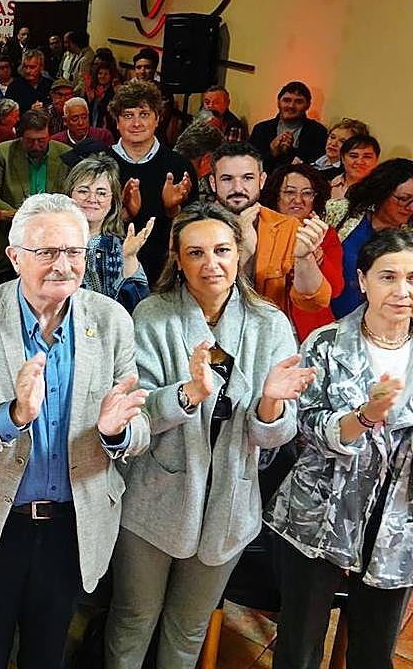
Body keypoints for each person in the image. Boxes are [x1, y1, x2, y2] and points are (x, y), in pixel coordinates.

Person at [0, 194, 148, 668]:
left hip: (72, 526)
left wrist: (116, 432)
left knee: (47, 656)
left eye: (74, 251)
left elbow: (138, 425)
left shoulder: (111, 321)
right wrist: (11, 416)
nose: (63, 265)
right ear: (14, 257)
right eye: (47, 252)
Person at [104, 202, 314, 669]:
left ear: (239, 253)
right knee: (133, 618)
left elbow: (276, 435)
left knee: (189, 628)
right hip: (153, 501)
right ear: (178, 260)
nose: (210, 263)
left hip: (230, 506)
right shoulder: (152, 315)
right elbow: (138, 415)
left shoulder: (269, 324)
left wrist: (270, 403)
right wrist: (188, 393)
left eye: (221, 250)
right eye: (195, 253)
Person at [266, 228, 413, 669]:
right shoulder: (326, 343)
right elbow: (305, 427)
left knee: (375, 651)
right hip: (319, 515)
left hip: (397, 521)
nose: (402, 290)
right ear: (363, 281)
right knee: (299, 647)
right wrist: (363, 417)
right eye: (388, 277)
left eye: (412, 278)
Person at [206, 142, 333, 325]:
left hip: (267, 332)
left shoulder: (287, 226)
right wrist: (244, 247)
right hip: (208, 332)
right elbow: (197, 294)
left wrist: (305, 258)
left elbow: (314, 302)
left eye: (248, 178)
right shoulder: (191, 227)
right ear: (213, 183)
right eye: (227, 179)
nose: (238, 188)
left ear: (262, 180)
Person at [107, 80, 197, 284]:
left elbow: (193, 232)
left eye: (144, 114)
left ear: (157, 119)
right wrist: (123, 214)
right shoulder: (100, 165)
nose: (136, 123)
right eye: (128, 115)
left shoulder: (179, 166)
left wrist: (172, 210)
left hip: (165, 276)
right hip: (110, 272)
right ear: (117, 122)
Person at [0, 108, 72, 279]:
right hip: (9, 235)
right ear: (20, 136)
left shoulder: (65, 154)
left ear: (49, 135)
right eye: (29, 141)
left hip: (55, 236)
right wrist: (19, 216)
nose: (36, 146)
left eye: (41, 140)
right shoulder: (3, 153)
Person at [258, 163, 344, 340]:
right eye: (289, 192)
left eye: (307, 193)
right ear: (276, 196)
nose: (298, 200)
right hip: (266, 325)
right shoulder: (259, 228)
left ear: (315, 198)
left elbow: (336, 290)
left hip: (310, 328)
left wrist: (317, 256)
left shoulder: (326, 234)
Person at [325, 158, 413, 317]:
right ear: (382, 192)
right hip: (327, 317)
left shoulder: (409, 235)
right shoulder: (342, 212)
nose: (410, 207)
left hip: (383, 321)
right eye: (403, 199)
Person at [64, 154, 152, 313]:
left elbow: (139, 309)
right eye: (83, 191)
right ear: (69, 195)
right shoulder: (53, 244)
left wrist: (129, 258)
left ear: (112, 202)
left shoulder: (121, 247)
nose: (92, 199)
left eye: (101, 193)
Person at [248, 81, 329, 172]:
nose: (291, 106)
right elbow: (250, 165)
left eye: (298, 102)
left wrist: (290, 151)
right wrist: (272, 153)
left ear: (308, 105)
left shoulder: (318, 132)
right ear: (278, 102)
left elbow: (315, 169)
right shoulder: (261, 129)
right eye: (286, 100)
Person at [54, 96, 114, 168]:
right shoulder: (56, 141)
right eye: (75, 119)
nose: (81, 123)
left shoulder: (103, 136)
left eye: (84, 117)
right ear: (65, 121)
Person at [329, 133, 380, 199]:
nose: (359, 162)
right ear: (343, 158)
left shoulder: (382, 190)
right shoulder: (329, 186)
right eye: (354, 156)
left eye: (367, 157)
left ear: (376, 159)